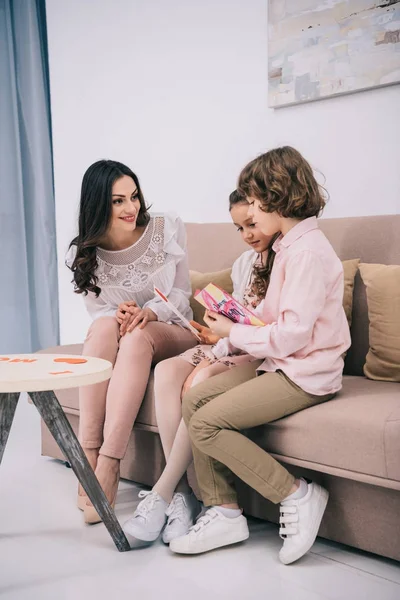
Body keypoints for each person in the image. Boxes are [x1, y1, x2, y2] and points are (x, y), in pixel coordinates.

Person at [170, 146, 351, 565]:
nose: (250, 211)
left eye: (252, 201)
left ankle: (297, 494)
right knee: (195, 399)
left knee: (208, 423)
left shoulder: (306, 252)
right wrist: (229, 331)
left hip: (305, 373)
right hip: (280, 364)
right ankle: (224, 512)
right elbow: (271, 319)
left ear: (277, 195)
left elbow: (290, 337)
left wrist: (233, 331)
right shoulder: (289, 247)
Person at [123, 190, 278, 544]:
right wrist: (213, 337)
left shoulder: (285, 263)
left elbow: (268, 331)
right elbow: (236, 319)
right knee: (166, 372)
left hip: (258, 355)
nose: (248, 234)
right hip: (228, 345)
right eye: (239, 228)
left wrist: (221, 346)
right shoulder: (244, 264)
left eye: (252, 224)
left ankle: (162, 493)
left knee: (200, 380)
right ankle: (183, 495)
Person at [66, 159, 196, 524]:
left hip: (172, 329)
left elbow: (182, 296)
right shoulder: (86, 250)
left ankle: (109, 462)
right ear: (97, 204)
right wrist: (118, 312)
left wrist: (150, 312)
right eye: (118, 201)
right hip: (124, 333)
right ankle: (87, 452)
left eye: (134, 196)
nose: (131, 208)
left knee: (137, 337)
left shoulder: (165, 227)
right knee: (107, 329)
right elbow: (99, 312)